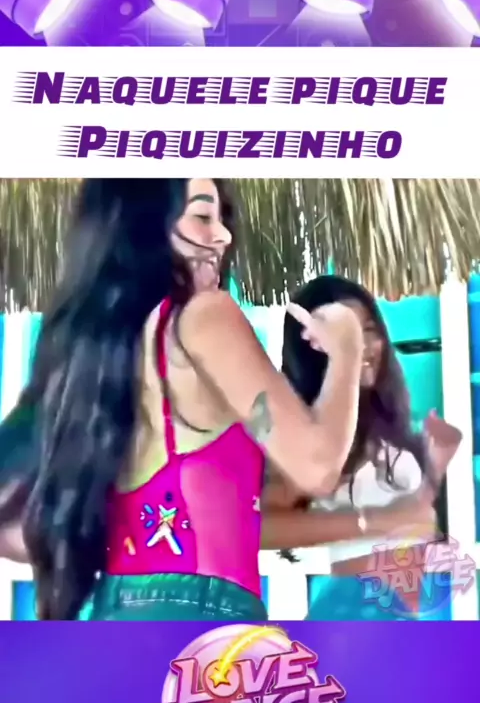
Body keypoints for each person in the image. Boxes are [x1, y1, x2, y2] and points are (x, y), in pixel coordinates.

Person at [0, 178, 378, 622]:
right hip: (202, 617)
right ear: (146, 227)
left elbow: (14, 530)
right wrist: (347, 344)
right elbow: (317, 466)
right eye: (202, 217)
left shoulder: (99, 356)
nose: (224, 236)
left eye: (221, 219)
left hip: (118, 611)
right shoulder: (203, 316)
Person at [263, 275, 462, 621]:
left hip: (398, 616)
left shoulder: (384, 423)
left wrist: (433, 471)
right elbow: (262, 525)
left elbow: (407, 524)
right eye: (348, 333)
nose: (365, 345)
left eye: (368, 329)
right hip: (355, 611)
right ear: (311, 345)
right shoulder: (316, 433)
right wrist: (376, 521)